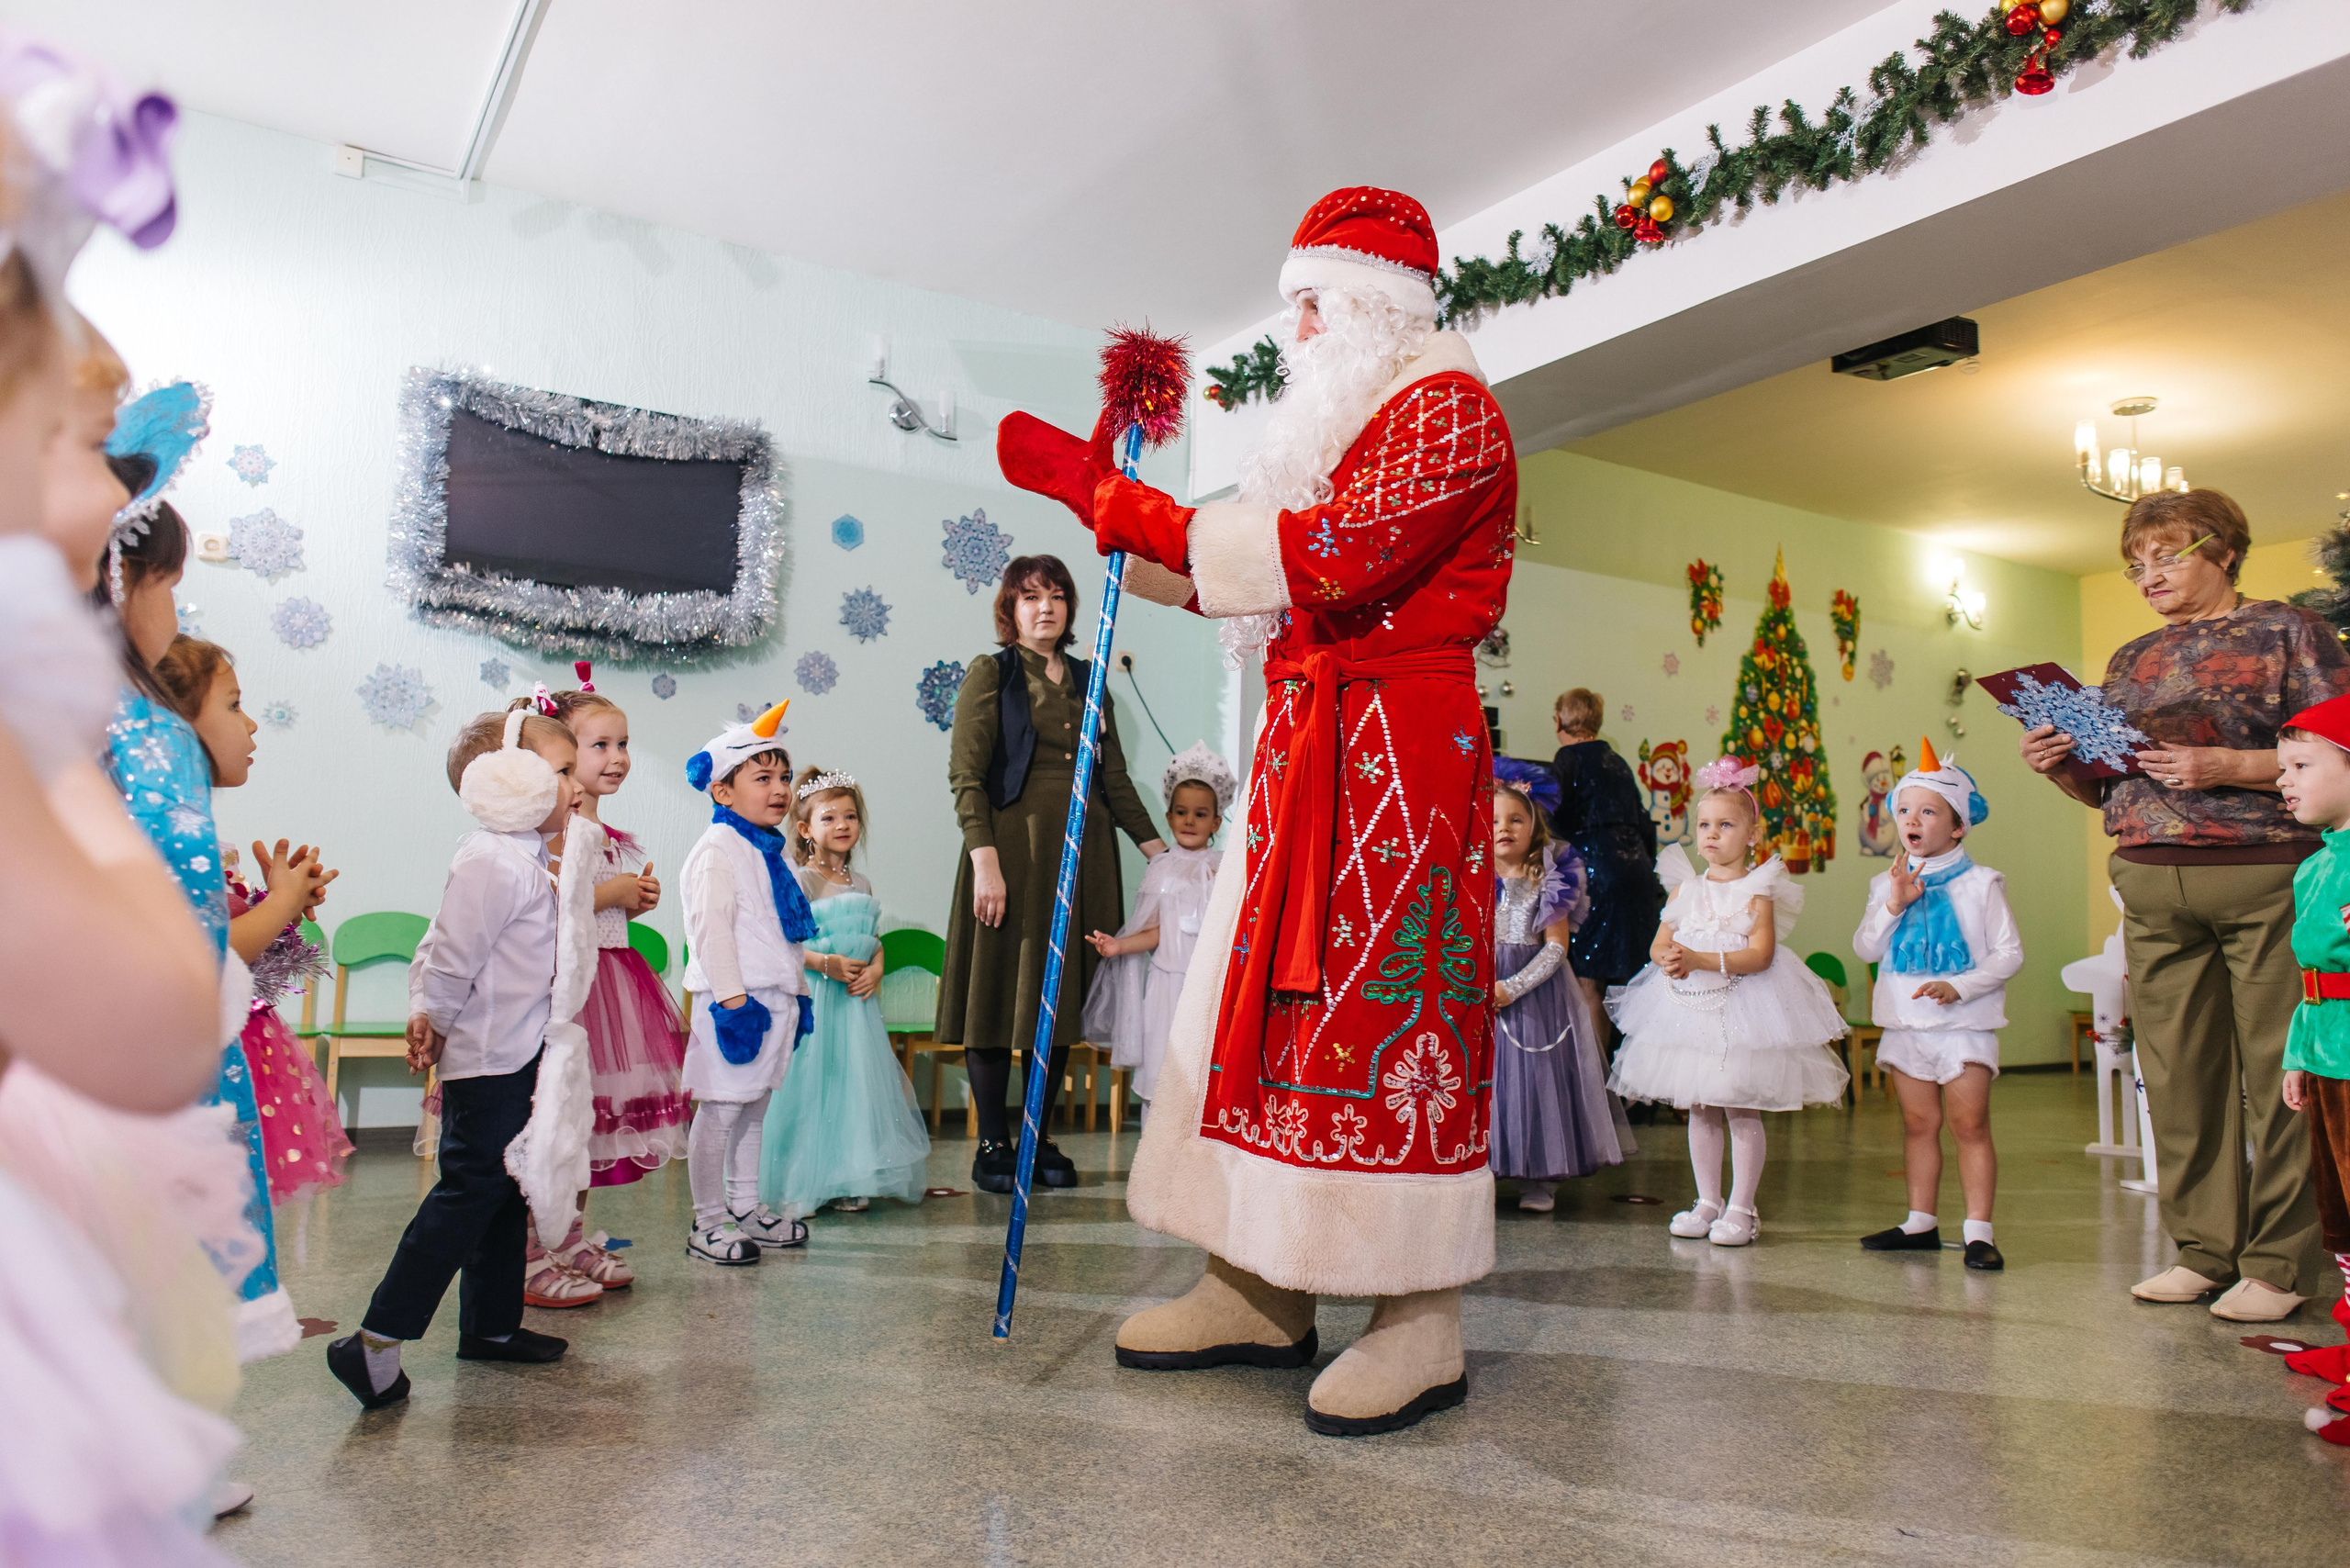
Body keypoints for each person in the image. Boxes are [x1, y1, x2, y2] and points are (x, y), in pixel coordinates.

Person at [1000, 186, 1515, 1434]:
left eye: (1311, 300)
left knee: (1387, 1021)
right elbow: (1274, 581)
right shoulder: (1348, 428)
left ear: (1379, 305)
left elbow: (1334, 555)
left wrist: (1149, 514)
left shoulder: (1449, 410)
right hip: (1310, 752)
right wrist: (1114, 519)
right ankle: (1258, 1285)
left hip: (1399, 755)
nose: (1292, 325)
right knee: (1265, 1013)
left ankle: (1418, 1318)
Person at [2020, 488, 2350, 1321]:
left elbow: (2335, 750)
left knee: (2283, 1073)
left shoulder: (2290, 632)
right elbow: (2108, 788)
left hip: (2267, 871)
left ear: (2225, 550)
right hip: (2148, 873)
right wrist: (2060, 762)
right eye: (2136, 564)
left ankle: (2277, 1266)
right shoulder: (2131, 658)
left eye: (2166, 556)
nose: (2148, 576)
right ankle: (2205, 1252)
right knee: (2175, 1077)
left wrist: (2227, 768)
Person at [328, 709, 582, 1407]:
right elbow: (448, 954)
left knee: (503, 1193)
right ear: (508, 781)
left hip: (521, 1052)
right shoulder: (491, 861)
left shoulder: (525, 859)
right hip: (490, 1059)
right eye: (561, 772)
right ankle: (375, 1341)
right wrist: (429, 1016)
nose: (577, 785)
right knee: (467, 1195)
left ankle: (492, 1329)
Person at [938, 554, 1165, 1194]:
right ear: (1010, 610)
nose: (1046, 606)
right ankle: (993, 1143)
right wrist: (985, 860)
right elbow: (967, 776)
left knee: (1060, 997)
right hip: (1012, 853)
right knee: (995, 991)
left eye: (1057, 595)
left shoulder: (1094, 682)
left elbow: (1113, 779)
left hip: (1083, 852)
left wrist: (1163, 854)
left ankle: (1036, 1135)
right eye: (1031, 596)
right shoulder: (993, 673)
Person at [1606, 758, 1849, 1246]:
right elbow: (1659, 942)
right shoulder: (1685, 887)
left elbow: (1760, 955)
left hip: (1744, 1010)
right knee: (1699, 1106)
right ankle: (1707, 1200)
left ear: (1752, 833)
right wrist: (1670, 957)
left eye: (1725, 825)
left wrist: (1699, 957)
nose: (1711, 835)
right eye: (1704, 825)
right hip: (1688, 1010)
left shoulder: (1757, 890)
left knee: (1740, 1105)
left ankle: (1742, 1207)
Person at [153, 635, 350, 1209]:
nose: (253, 724)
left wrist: (277, 904)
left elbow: (239, 950)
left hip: (229, 1045)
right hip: (194, 1061)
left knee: (234, 1209)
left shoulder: (201, 835)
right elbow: (208, 951)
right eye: (234, 705)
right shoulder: (170, 837)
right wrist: (280, 907)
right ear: (173, 724)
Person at [510, 671, 688, 1306]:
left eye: (623, 744)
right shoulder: (546, 833)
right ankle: (530, 1245)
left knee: (590, 1124)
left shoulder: (610, 837)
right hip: (567, 995)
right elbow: (546, 907)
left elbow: (600, 912)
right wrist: (606, 895)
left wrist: (628, 904)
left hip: (612, 987)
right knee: (554, 1121)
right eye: (600, 746)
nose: (618, 758)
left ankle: (570, 1235)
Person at [1851, 742, 2020, 1271]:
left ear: (1958, 825)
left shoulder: (1981, 883)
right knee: (1918, 1125)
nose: (1912, 821)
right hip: (1906, 1025)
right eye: (1904, 810)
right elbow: (1866, 949)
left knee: (1969, 1124)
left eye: (1928, 811)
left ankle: (1978, 1232)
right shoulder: (1887, 883)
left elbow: (2010, 953)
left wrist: (1960, 986)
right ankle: (1920, 1221)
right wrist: (1894, 905)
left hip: (1963, 1023)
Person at [760, 766, 931, 1219]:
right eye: (829, 817)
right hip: (817, 999)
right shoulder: (800, 880)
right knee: (814, 1084)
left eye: (850, 817)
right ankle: (802, 1179)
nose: (841, 826)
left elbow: (873, 942)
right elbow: (787, 945)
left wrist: (876, 968)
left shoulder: (863, 884)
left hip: (856, 1006)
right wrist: (827, 964)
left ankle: (848, 1176)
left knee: (853, 1087)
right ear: (805, 829)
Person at [678, 704, 813, 1264]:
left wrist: (799, 994)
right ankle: (707, 1220)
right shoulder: (717, 851)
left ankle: (745, 1207)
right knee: (721, 1110)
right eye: (763, 778)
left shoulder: (766, 848)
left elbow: (780, 934)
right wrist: (734, 1004)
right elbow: (711, 933)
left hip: (772, 996)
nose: (780, 789)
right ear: (722, 792)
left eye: (783, 777)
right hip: (737, 1004)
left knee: (755, 1109)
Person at [2266, 698, 2350, 1438]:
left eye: (2301, 766)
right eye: (2281, 768)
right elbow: (2312, 974)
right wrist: (2298, 1051)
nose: (2282, 782)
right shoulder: (2317, 865)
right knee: (2342, 1215)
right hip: (2327, 1053)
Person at [1490, 758, 1624, 1214]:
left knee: (1535, 1080)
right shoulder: (1472, 877)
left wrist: (1513, 985)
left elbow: (1555, 947)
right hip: (1484, 990)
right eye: (1493, 820)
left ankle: (1541, 1177)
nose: (1504, 828)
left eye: (1515, 819)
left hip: (1535, 995)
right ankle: (1487, 1167)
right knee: (1493, 1083)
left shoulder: (1548, 877)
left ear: (1534, 826)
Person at [1082, 742, 1232, 1114]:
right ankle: (1153, 1157)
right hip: (1167, 985)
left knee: (1202, 1073)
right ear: (1168, 817)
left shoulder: (1224, 870)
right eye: (1181, 813)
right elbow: (1156, 930)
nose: (1189, 821)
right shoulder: (1162, 868)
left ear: (1216, 822)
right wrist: (1118, 946)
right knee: (1163, 1071)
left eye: (1200, 814)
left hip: (1207, 986)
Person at [1550, 689, 1665, 1070]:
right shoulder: (1617, 761)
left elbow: (1553, 818)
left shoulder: (1567, 758)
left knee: (1588, 978)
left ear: (1558, 721)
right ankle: (1645, 1079)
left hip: (1594, 872)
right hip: (1636, 873)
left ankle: (1595, 1087)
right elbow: (1644, 821)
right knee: (1637, 978)